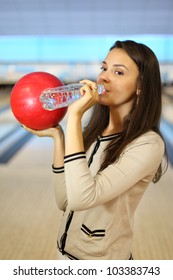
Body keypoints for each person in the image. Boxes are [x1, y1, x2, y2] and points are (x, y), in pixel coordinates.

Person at [23, 40, 167, 260]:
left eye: (118, 72)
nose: (103, 77)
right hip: (65, 256)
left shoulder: (148, 144)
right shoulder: (93, 133)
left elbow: (83, 198)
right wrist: (59, 137)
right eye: (104, 68)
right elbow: (65, 201)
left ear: (141, 87)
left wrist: (74, 117)